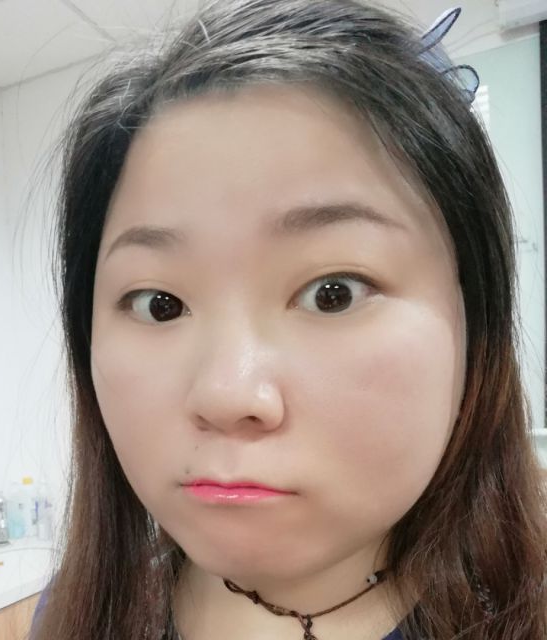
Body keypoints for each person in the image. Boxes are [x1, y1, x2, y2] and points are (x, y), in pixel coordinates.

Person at [29, 1, 547, 638]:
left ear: (476, 322)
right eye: (159, 304)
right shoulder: (72, 614)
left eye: (334, 293)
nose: (227, 395)